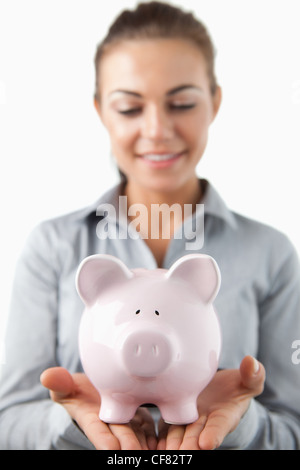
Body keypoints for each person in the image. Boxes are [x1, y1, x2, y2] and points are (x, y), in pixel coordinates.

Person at [0, 1, 299, 450]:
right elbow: (9, 422)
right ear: (101, 110)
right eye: (129, 108)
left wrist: (241, 423)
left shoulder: (271, 253)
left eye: (180, 103)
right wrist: (70, 423)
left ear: (214, 102)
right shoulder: (53, 246)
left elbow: (293, 427)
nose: (157, 129)